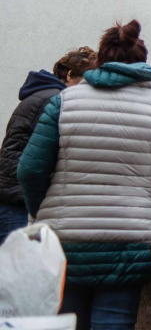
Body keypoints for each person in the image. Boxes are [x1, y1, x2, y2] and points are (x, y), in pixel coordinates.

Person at [18, 21, 151, 330]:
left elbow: (30, 169)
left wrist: (42, 211)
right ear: (142, 63)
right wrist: (150, 204)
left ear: (99, 60)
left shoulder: (63, 103)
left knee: (66, 323)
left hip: (66, 242)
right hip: (129, 243)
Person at [0, 47, 96, 243]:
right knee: (15, 266)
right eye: (85, 82)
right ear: (69, 75)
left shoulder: (42, 94)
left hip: (11, 193)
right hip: (17, 198)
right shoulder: (54, 100)